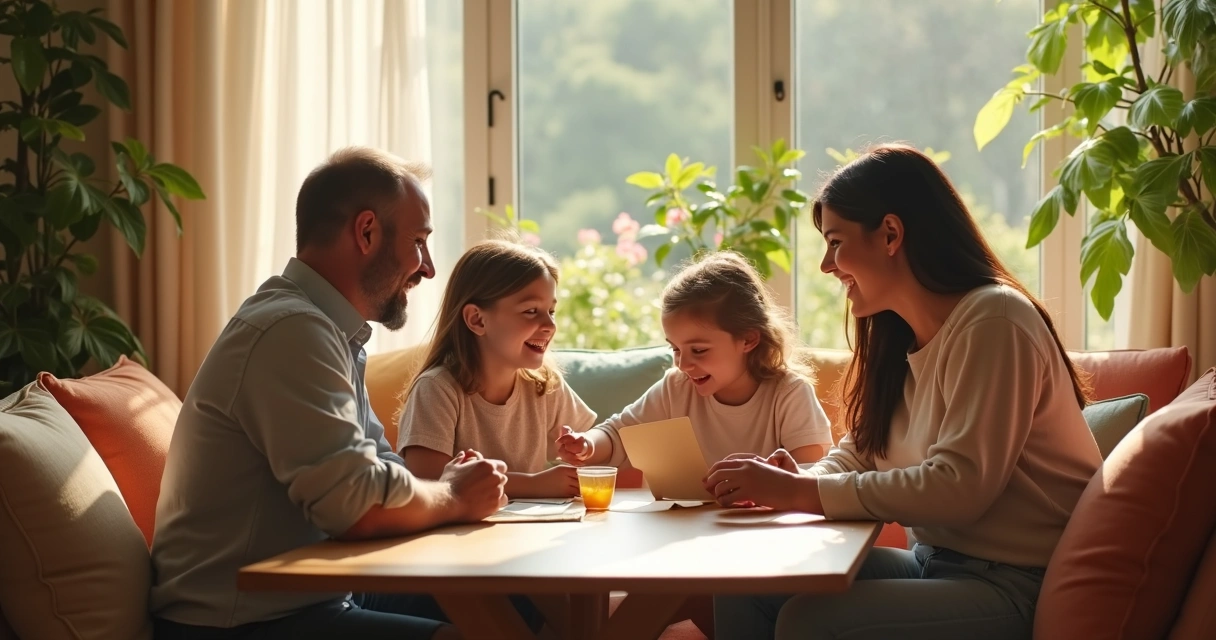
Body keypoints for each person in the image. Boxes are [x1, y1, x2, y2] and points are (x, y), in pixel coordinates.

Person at [705, 143, 1103, 639]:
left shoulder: (995, 320)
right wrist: (802, 480)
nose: (828, 266)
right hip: (937, 565)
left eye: (835, 241)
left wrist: (804, 492)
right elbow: (861, 450)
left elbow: (959, 487)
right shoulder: (901, 334)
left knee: (811, 622)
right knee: (744, 582)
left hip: (1018, 582)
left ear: (890, 234)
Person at [150, 147, 526, 640]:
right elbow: (357, 506)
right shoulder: (291, 331)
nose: (428, 268)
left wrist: (443, 487)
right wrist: (453, 494)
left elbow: (383, 472)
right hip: (240, 620)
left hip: (317, 592)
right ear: (366, 231)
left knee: (515, 595)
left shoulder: (326, 330)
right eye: (418, 242)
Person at [555, 251, 833, 470]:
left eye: (698, 351)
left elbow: (808, 477)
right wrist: (587, 444)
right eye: (675, 349)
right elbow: (617, 435)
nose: (683, 364)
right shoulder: (676, 388)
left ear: (748, 340)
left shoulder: (789, 394)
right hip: (684, 530)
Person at [396, 239, 596, 498]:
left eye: (551, 311)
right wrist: (534, 484)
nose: (549, 325)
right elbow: (428, 481)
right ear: (477, 319)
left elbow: (594, 445)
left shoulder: (545, 384)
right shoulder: (437, 389)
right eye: (531, 311)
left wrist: (581, 448)